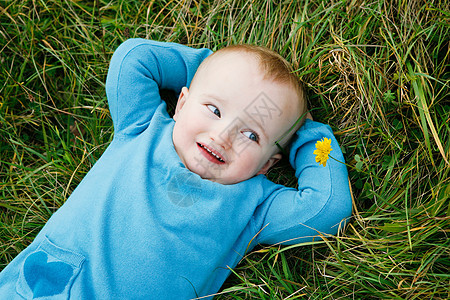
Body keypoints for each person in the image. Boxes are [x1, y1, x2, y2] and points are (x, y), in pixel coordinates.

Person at [0, 38, 352, 299]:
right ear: (181, 104)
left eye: (251, 134)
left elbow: (327, 208)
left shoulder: (254, 205)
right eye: (214, 109)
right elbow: (134, 58)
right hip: (45, 287)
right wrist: (208, 68)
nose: (223, 135)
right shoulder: (142, 128)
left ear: (268, 165)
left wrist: (309, 135)